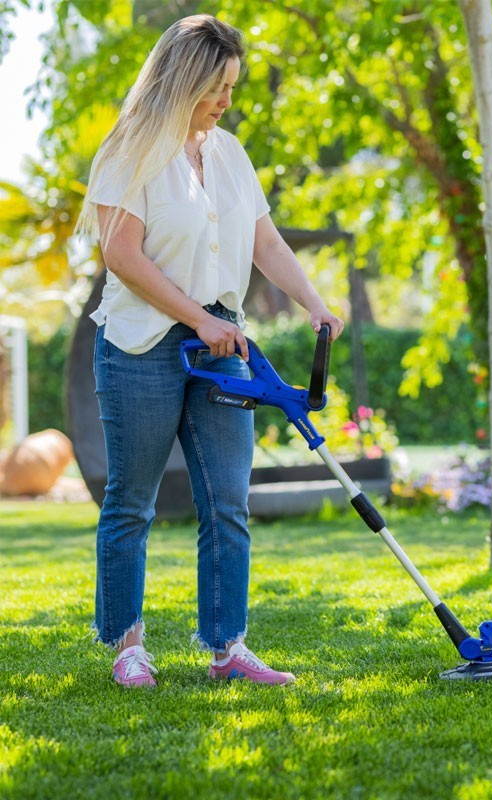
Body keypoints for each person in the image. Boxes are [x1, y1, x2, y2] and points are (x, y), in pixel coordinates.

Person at [75, 14, 344, 688]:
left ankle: (228, 647)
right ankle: (128, 645)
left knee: (226, 499)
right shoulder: (130, 150)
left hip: (221, 343)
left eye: (232, 86)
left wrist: (314, 301)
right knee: (130, 500)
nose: (228, 100)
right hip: (141, 342)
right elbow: (123, 256)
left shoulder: (228, 153)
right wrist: (197, 319)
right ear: (185, 79)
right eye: (218, 86)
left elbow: (266, 241)